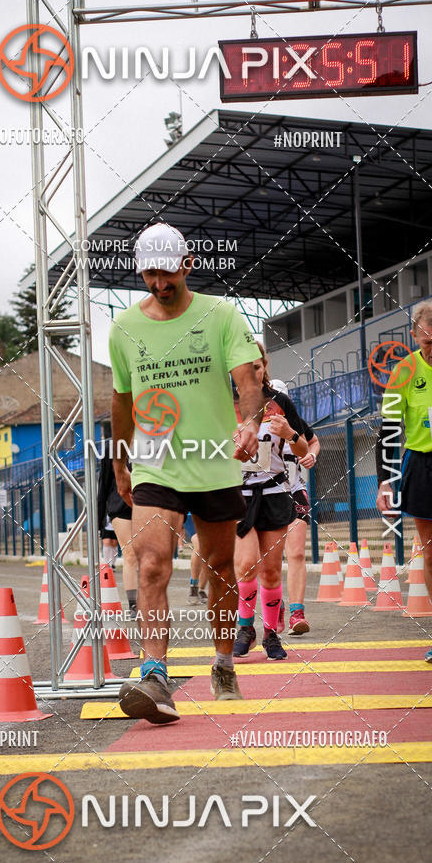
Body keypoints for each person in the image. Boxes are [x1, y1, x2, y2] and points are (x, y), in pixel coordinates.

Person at [110, 222, 263, 723]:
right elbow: (122, 398)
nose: (159, 285)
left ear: (187, 265)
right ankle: (154, 675)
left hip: (216, 461)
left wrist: (249, 423)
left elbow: (248, 378)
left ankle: (222, 662)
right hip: (156, 462)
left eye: (167, 274)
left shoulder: (220, 315)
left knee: (219, 570)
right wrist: (119, 458)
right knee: (151, 562)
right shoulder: (124, 329)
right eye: (149, 275)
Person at [376, 300, 432, 663]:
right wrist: (385, 482)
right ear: (414, 337)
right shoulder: (404, 373)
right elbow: (389, 431)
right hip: (423, 465)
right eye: (427, 343)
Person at [233, 348, 309, 660]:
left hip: (275, 493)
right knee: (246, 564)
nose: (254, 373)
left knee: (272, 571)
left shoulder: (281, 402)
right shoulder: (226, 406)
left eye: (258, 366)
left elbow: (303, 447)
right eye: (246, 368)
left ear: (265, 367)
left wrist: (290, 433)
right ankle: (245, 626)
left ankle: (271, 633)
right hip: (238, 495)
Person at [270, 378, 321, 635]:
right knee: (270, 558)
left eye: (280, 402)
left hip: (294, 491)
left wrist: (312, 454)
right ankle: (275, 607)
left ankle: (297, 614)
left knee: (297, 553)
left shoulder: (295, 425)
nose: (275, 409)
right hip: (266, 495)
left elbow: (313, 440)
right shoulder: (252, 423)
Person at [98, 452, 138, 616]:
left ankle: (151, 600)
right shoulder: (111, 451)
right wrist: (99, 521)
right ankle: (134, 604)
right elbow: (104, 486)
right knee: (130, 554)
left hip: (147, 505)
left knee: (151, 556)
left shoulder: (152, 444)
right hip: (120, 508)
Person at [178, 513, 208, 604]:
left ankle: (201, 589)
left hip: (212, 512)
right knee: (199, 544)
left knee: (209, 551)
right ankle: (194, 587)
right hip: (191, 513)